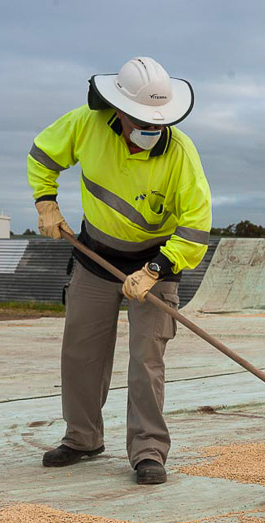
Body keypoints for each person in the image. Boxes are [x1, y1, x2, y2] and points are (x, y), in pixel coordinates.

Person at [28, 57, 212, 484]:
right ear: (120, 111)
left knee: (147, 359)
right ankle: (82, 438)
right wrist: (45, 201)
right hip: (95, 256)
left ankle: (148, 451)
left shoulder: (181, 153)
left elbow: (196, 225)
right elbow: (42, 154)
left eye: (158, 123)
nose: (151, 130)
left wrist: (156, 268)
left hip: (156, 261)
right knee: (81, 352)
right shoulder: (86, 124)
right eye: (142, 122)